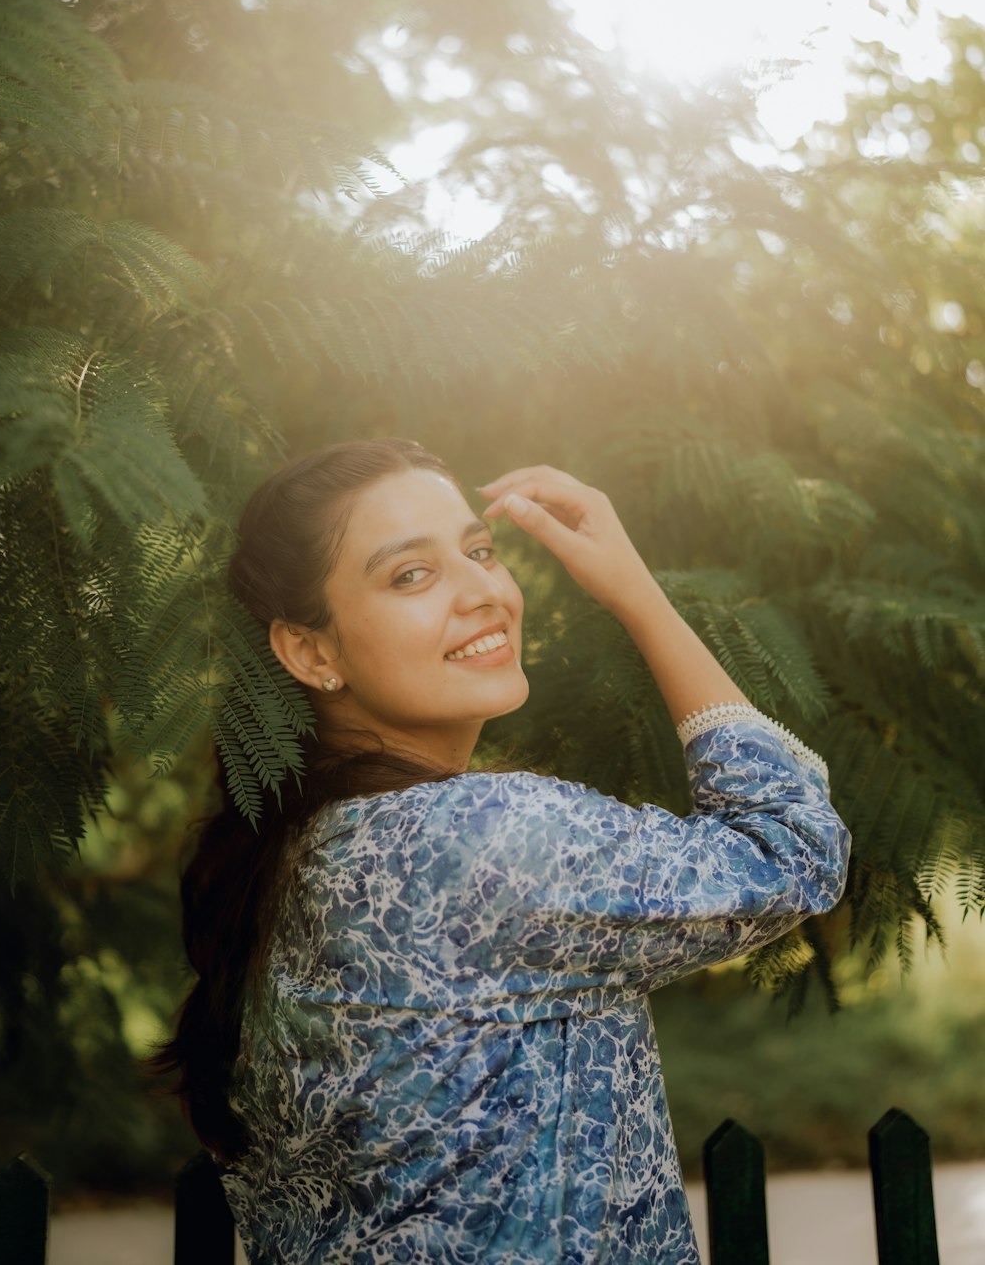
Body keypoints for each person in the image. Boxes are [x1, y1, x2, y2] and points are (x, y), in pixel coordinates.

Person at [158, 437, 850, 1265]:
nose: (484, 590)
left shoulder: (295, 861)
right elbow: (792, 850)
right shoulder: (472, 838)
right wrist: (637, 595)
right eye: (410, 575)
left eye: (481, 552)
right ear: (311, 650)